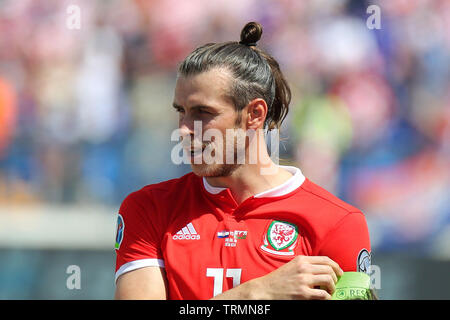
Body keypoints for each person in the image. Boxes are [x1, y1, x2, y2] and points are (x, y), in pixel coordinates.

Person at [114, 22, 371, 300]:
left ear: (254, 115)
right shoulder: (149, 209)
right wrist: (255, 293)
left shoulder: (338, 222)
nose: (185, 129)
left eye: (203, 112)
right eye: (182, 111)